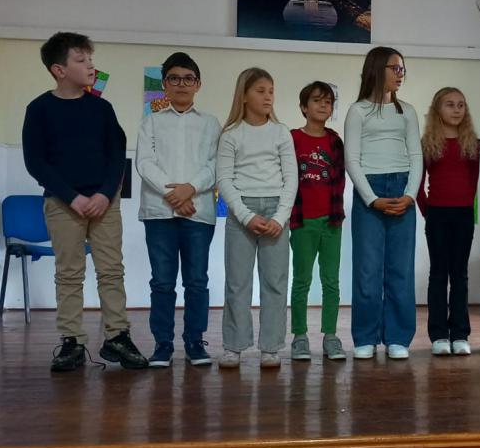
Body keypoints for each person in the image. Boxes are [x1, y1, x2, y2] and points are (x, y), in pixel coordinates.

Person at [21, 31, 148, 372]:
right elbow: (36, 162)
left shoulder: (102, 109)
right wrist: (72, 197)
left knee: (111, 270)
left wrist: (105, 194)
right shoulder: (39, 109)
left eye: (91, 59)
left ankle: (117, 336)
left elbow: (117, 155)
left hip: (105, 203)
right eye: (81, 60)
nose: (91, 66)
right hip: (63, 204)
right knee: (69, 273)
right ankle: (72, 341)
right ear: (59, 70)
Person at [136, 52, 221, 368]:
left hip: (198, 212)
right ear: (164, 85)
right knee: (162, 282)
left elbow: (216, 164)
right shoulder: (151, 121)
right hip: (159, 213)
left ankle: (195, 342)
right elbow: (144, 163)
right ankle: (163, 345)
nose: (181, 84)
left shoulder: (211, 123)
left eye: (188, 78)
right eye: (174, 78)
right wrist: (174, 194)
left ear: (198, 84)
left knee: (196, 281)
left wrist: (190, 189)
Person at [344, 46, 423, 359]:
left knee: (400, 269)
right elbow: (352, 160)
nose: (400, 74)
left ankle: (397, 338)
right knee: (367, 270)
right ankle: (365, 337)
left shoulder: (408, 112)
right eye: (395, 68)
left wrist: (410, 195)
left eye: (403, 69)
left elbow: (416, 156)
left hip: (402, 190)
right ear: (377, 69)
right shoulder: (357, 111)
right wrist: (372, 199)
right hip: (370, 193)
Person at [216, 67, 297, 370]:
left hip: (276, 210)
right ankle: (234, 346)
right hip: (242, 213)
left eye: (271, 91)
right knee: (237, 283)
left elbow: (291, 178)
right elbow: (224, 180)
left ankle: (271, 347)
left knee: (275, 282)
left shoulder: (281, 132)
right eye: (261, 91)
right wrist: (246, 215)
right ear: (244, 96)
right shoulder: (230, 135)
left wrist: (280, 217)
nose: (268, 97)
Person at [417, 87, 480, 356]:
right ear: (437, 110)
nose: (456, 109)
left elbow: (473, 181)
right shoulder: (427, 143)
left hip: (462, 214)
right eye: (450, 104)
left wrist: (465, 206)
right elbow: (418, 183)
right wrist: (428, 211)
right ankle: (439, 335)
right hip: (437, 215)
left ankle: (460, 334)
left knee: (460, 275)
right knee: (439, 274)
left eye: (461, 105)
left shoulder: (472, 143)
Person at [289, 81, 346, 362]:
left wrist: (335, 216)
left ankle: (330, 336)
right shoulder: (292, 139)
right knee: (301, 280)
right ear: (303, 107)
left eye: (328, 101)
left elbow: (340, 180)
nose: (323, 105)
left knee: (331, 281)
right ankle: (299, 336)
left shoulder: (335, 141)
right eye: (316, 100)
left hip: (331, 222)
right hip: (302, 223)